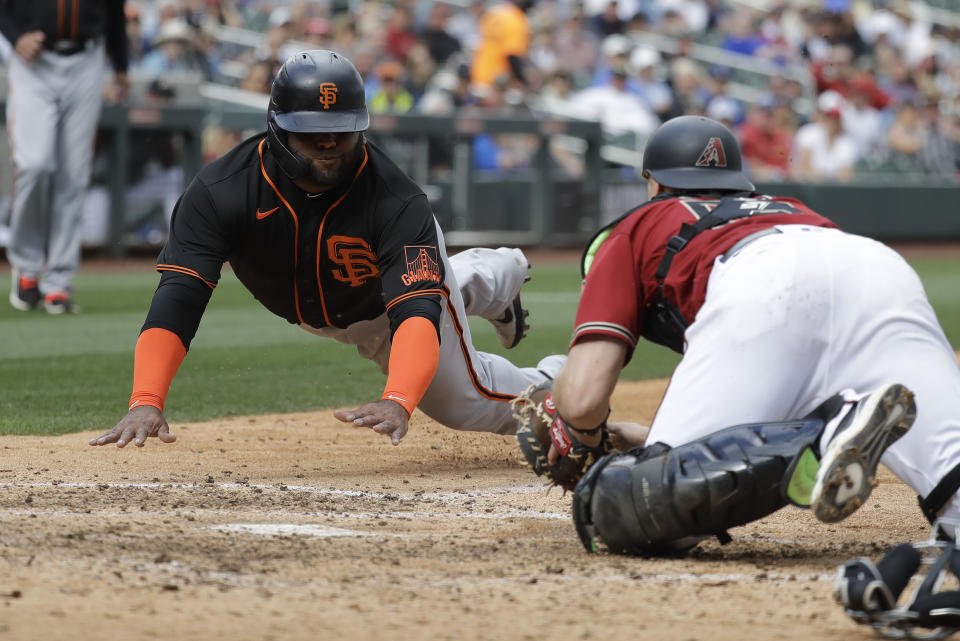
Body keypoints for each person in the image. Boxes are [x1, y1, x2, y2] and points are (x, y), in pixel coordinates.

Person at [89, 50, 562, 450]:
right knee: (435, 284)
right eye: (312, 131)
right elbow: (179, 297)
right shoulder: (222, 191)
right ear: (277, 128)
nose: (330, 142)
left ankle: (560, 384)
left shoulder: (395, 200)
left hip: (386, 309)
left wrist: (398, 398)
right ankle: (495, 272)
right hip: (339, 302)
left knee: (464, 402)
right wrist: (146, 399)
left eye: (342, 128)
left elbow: (417, 307)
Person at [541, 115, 960, 555]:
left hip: (760, 282)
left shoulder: (639, 224)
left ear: (655, 184)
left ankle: (825, 432)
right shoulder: (789, 206)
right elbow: (788, 371)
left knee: (646, 512)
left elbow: (585, 400)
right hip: (877, 268)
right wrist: (648, 436)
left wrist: (571, 422)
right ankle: (847, 416)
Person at [1, 0, 129, 313]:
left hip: (87, 60)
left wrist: (122, 67)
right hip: (33, 60)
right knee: (35, 164)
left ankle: (58, 282)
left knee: (73, 175)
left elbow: (114, 12)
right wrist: (16, 36)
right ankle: (27, 268)